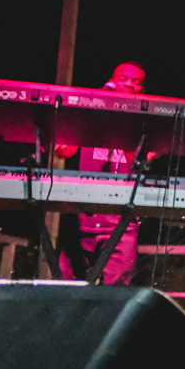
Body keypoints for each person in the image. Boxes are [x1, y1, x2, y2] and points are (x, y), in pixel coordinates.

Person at [55, 60, 147, 285]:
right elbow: (62, 151)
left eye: (135, 82)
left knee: (116, 291)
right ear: (112, 81)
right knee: (67, 286)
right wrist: (94, 106)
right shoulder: (91, 118)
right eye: (123, 79)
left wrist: (125, 121)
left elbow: (139, 160)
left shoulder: (148, 125)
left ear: (142, 89)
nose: (129, 84)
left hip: (121, 222)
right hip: (82, 218)